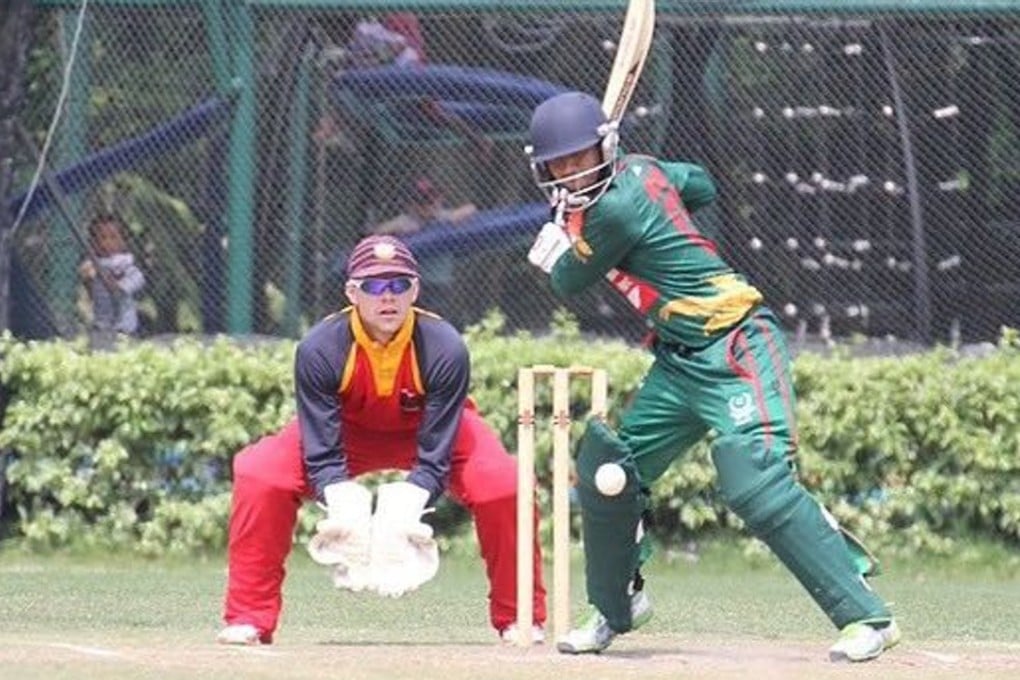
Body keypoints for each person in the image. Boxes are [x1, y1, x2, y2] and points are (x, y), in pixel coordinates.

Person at [523, 91, 900, 662]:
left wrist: (560, 250)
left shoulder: (615, 211)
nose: (573, 172)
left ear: (605, 147)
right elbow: (699, 184)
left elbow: (569, 282)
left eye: (582, 157)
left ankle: (868, 618)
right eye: (560, 164)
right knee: (608, 470)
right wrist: (640, 188)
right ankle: (616, 608)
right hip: (679, 360)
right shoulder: (642, 174)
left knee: (755, 479)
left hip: (737, 345)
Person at [217, 234, 546, 646]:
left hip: (429, 432)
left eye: (399, 284)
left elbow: (437, 450)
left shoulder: (444, 346)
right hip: (345, 432)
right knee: (259, 473)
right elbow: (321, 447)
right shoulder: (320, 347)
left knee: (506, 486)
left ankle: (520, 617)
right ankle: (249, 616)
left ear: (415, 291)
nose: (387, 296)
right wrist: (341, 499)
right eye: (373, 285)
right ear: (352, 293)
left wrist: (410, 501)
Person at [78, 213, 145, 336]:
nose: (106, 243)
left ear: (123, 241)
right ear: (93, 243)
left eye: (113, 237)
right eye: (101, 238)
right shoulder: (93, 264)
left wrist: (120, 286)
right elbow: (91, 293)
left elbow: (138, 278)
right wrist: (87, 280)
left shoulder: (124, 262)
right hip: (102, 321)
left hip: (124, 323)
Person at [371, 177, 478, 236]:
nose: (429, 206)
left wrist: (455, 217)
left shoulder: (440, 216)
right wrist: (398, 231)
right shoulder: (406, 221)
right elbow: (378, 231)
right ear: (410, 205)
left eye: (433, 200)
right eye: (423, 202)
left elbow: (471, 208)